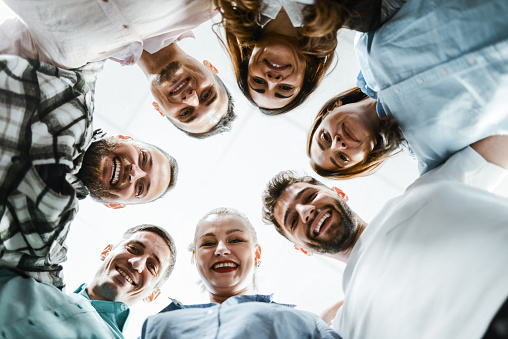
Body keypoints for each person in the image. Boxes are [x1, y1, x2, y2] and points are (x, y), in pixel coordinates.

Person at [262, 135, 508, 339]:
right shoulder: (346, 325)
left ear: (339, 192)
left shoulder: (425, 190)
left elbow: (501, 140)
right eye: (293, 221)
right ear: (303, 249)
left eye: (309, 197)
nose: (306, 211)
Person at [0, 55, 177, 288]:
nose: (134, 174)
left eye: (140, 188)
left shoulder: (49, 241)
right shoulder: (76, 93)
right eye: (143, 159)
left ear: (114, 204)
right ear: (123, 138)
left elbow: (48, 297)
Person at [308, 0, 508, 179]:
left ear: (333, 107)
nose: (338, 144)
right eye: (342, 157)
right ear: (364, 160)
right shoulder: (433, 160)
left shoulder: (366, 44)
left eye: (325, 137)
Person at [0, 0, 236, 138]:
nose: (191, 98)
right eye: (207, 95)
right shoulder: (204, 5)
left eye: (185, 113)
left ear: (159, 109)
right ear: (211, 67)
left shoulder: (68, 62)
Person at [141, 208, 341, 339]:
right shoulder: (157, 327)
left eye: (235, 240)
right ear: (195, 259)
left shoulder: (300, 323)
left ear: (257, 254)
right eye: (208, 243)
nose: (220, 250)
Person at [212, 0, 406, 114]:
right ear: (307, 73)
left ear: (248, 58)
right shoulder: (361, 16)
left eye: (258, 81)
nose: (272, 80)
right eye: (285, 88)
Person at [0, 224, 177, 339]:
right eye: (133, 249)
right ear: (107, 251)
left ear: (153, 295)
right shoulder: (32, 277)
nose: (136, 264)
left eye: (152, 266)